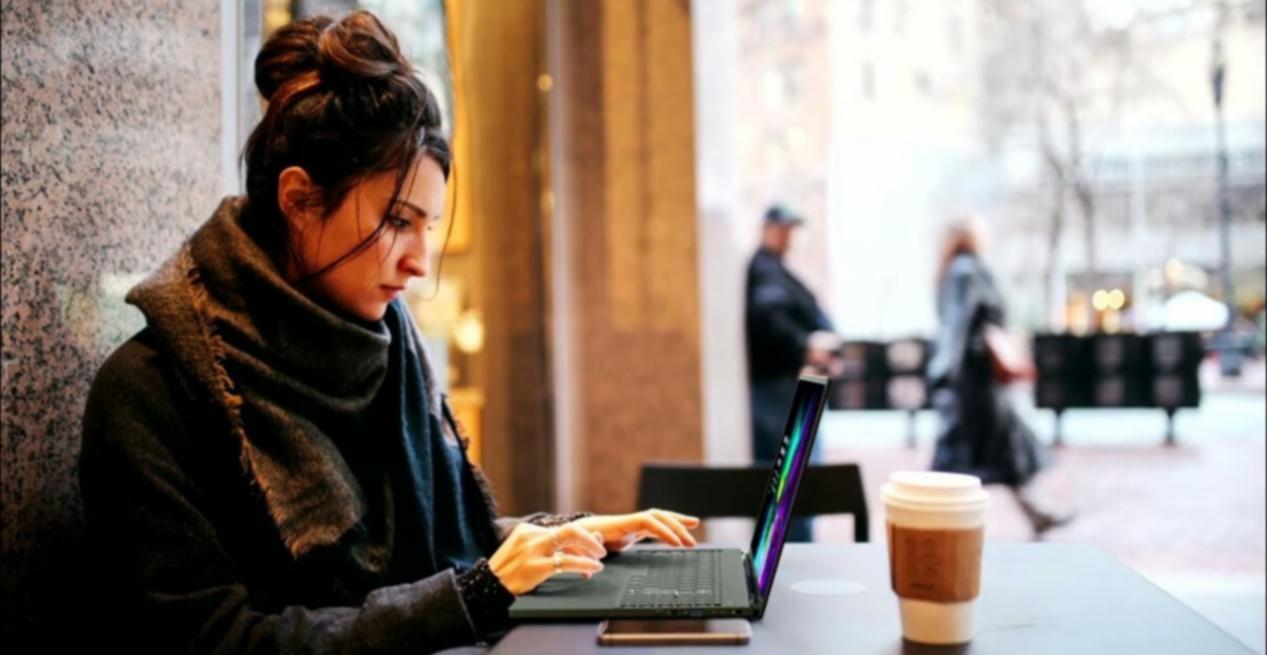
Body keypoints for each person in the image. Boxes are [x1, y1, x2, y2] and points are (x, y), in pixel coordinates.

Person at [77, 12, 698, 654]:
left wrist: (563, 539)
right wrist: (480, 592)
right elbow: (215, 639)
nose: (419, 261)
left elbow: (443, 552)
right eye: (399, 222)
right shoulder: (153, 392)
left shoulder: (386, 347)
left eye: (427, 226)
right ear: (298, 200)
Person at [926, 215, 1073, 538]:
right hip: (971, 382)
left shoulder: (958, 270)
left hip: (973, 380)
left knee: (990, 451)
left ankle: (1035, 512)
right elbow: (958, 326)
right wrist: (945, 372)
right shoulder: (967, 271)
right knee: (967, 455)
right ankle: (932, 523)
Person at [744, 204, 841, 542]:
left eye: (791, 230)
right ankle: (795, 553)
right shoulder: (766, 269)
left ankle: (795, 550)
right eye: (782, 228)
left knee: (796, 482)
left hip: (784, 387)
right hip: (778, 390)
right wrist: (805, 346)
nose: (788, 236)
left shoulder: (776, 268)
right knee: (793, 481)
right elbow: (768, 316)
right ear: (768, 228)